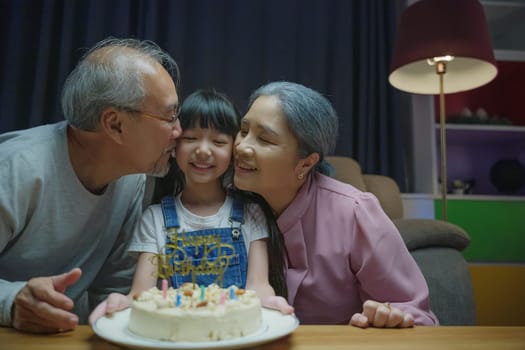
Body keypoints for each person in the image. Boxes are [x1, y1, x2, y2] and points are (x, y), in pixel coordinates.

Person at [0, 37, 182, 333]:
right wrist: (10, 301)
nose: (179, 131)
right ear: (114, 124)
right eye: (170, 115)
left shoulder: (132, 177)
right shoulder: (16, 168)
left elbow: (116, 288)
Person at [233, 81, 439, 328]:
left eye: (264, 139)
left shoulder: (355, 212)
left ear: (306, 164)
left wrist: (388, 317)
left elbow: (418, 314)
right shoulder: (221, 204)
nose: (242, 146)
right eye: (243, 131)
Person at [88, 90, 293, 324]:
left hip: (235, 334)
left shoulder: (251, 213)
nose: (204, 150)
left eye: (218, 142)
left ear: (233, 151)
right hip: (175, 337)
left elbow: (258, 286)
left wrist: (270, 302)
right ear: (174, 145)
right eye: (191, 138)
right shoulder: (155, 219)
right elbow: (142, 295)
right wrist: (123, 303)